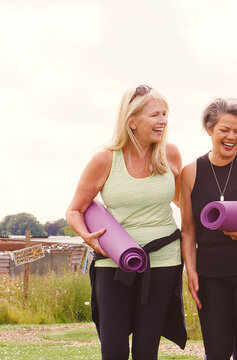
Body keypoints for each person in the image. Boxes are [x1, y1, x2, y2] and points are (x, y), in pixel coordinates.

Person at [66, 85, 185, 359]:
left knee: (146, 350)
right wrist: (87, 236)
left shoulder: (171, 154)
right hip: (114, 261)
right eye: (155, 114)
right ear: (131, 121)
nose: (163, 121)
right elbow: (74, 210)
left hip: (163, 261)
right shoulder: (105, 159)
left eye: (165, 114)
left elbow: (184, 204)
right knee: (114, 350)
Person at [179, 98, 237, 360]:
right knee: (217, 352)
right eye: (225, 130)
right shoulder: (190, 172)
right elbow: (187, 230)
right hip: (210, 277)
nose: (232, 137)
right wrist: (192, 270)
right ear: (209, 129)